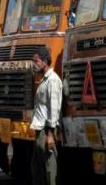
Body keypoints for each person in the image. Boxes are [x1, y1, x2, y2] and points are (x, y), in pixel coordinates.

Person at [30, 46, 62, 185]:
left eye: (36, 61)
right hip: (40, 130)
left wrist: (50, 135)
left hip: (46, 130)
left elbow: (54, 110)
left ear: (44, 61)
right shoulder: (44, 80)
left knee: (49, 168)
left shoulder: (53, 80)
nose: (34, 64)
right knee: (37, 168)